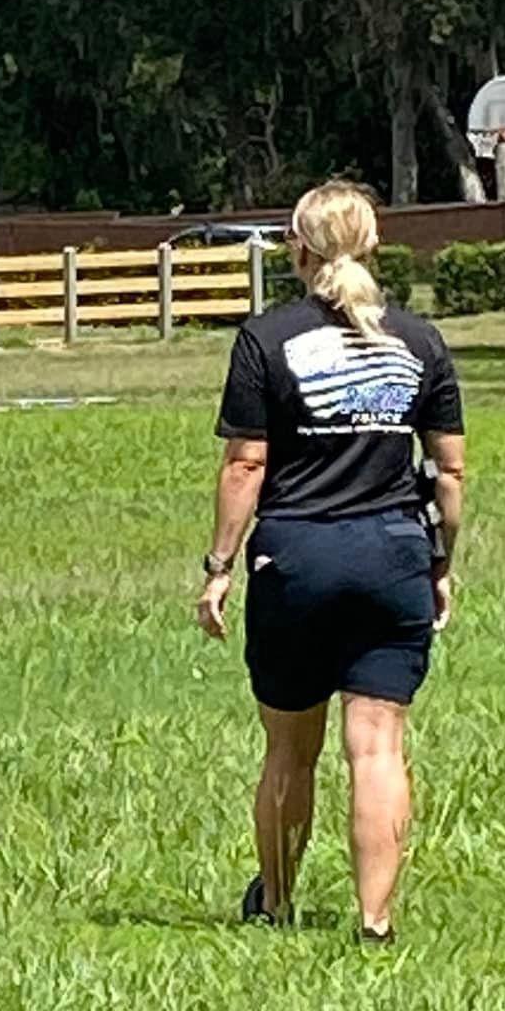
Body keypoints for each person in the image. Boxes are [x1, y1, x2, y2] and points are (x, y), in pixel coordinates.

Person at [197, 184, 466, 942]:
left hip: (297, 560)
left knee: (290, 748)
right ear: (374, 246)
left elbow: (246, 464)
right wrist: (440, 561)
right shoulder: (421, 342)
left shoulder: (264, 338)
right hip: (393, 556)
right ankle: (375, 921)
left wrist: (219, 564)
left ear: (298, 250)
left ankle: (276, 903)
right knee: (377, 746)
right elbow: (449, 472)